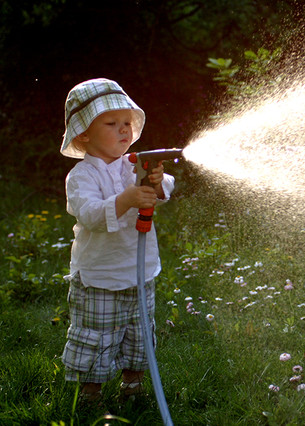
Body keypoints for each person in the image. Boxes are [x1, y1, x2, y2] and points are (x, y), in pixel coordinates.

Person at [59, 78, 175, 402]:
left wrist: (156, 181)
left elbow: (165, 189)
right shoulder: (82, 176)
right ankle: (90, 393)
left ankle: (133, 385)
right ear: (84, 133)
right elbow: (90, 214)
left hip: (139, 272)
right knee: (97, 335)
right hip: (100, 276)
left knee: (138, 334)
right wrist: (125, 200)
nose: (124, 130)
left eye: (127, 122)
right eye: (112, 123)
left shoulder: (132, 164)